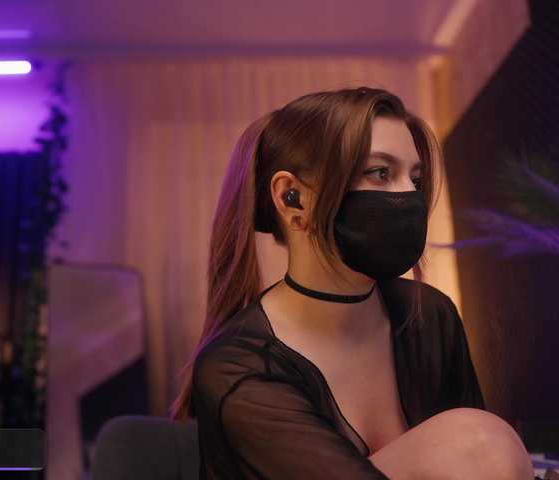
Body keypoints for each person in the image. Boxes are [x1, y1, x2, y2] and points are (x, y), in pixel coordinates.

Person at [169, 87, 535, 479]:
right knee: (483, 441)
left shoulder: (428, 315)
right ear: (293, 199)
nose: (409, 195)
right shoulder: (238, 368)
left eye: (415, 178)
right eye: (381, 173)